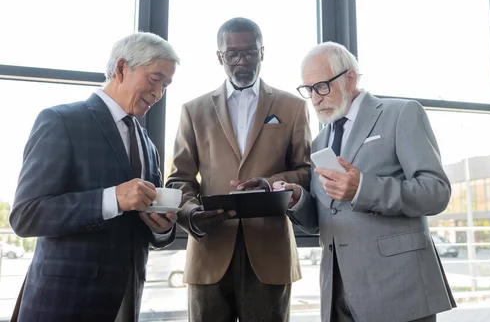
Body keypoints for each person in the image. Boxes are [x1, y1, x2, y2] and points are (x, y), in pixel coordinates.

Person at [9, 32, 180, 322]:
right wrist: (112, 198)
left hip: (127, 300)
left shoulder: (147, 144)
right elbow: (27, 215)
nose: (159, 93)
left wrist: (161, 228)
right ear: (122, 68)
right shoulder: (61, 121)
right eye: (154, 79)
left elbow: (145, 228)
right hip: (64, 302)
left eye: (166, 85)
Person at [286, 42, 456, 322]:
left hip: (397, 287)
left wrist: (363, 189)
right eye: (308, 89)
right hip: (337, 291)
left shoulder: (400, 114)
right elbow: (326, 214)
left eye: (321, 86)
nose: (315, 98)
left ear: (350, 77)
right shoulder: (320, 140)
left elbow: (436, 192)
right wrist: (298, 200)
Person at [166, 17, 311, 321]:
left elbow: (305, 170)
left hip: (271, 250)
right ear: (219, 57)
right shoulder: (193, 110)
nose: (242, 61)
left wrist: (271, 183)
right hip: (210, 249)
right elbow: (179, 178)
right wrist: (191, 214)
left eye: (251, 52)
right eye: (233, 54)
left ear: (263, 52)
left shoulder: (292, 107)